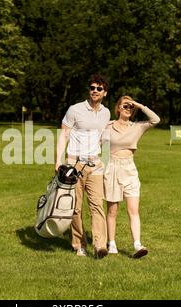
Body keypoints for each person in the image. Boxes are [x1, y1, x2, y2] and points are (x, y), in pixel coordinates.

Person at [55, 74, 111, 259]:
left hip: (94, 164)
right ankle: (79, 244)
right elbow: (64, 135)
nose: (95, 90)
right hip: (74, 163)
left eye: (99, 88)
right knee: (76, 207)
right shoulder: (75, 109)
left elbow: (102, 138)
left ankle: (100, 245)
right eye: (92, 87)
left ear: (105, 92)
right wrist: (59, 160)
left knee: (97, 205)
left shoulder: (106, 113)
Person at [102, 96, 160, 258]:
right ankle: (111, 243)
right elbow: (104, 151)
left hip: (129, 169)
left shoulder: (137, 127)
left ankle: (137, 244)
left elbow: (156, 119)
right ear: (118, 108)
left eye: (130, 107)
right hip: (111, 167)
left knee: (133, 209)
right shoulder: (108, 126)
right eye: (125, 105)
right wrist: (103, 171)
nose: (128, 108)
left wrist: (139, 105)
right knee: (112, 210)